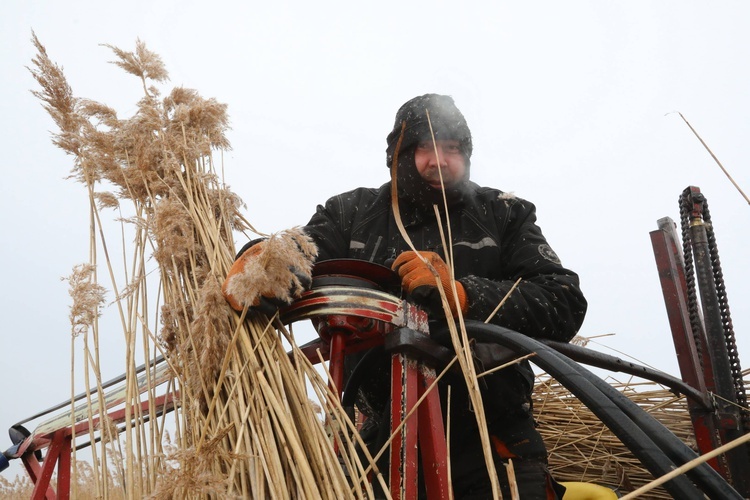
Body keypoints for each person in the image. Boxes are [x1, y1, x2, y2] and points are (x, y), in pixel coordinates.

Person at [223, 94, 587, 499]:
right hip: (382, 444)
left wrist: (464, 294)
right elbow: (301, 250)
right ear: (398, 153)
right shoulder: (351, 214)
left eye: (452, 148)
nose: (440, 160)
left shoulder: (503, 214)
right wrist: (264, 261)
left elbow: (564, 301)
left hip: (496, 440)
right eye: (425, 147)